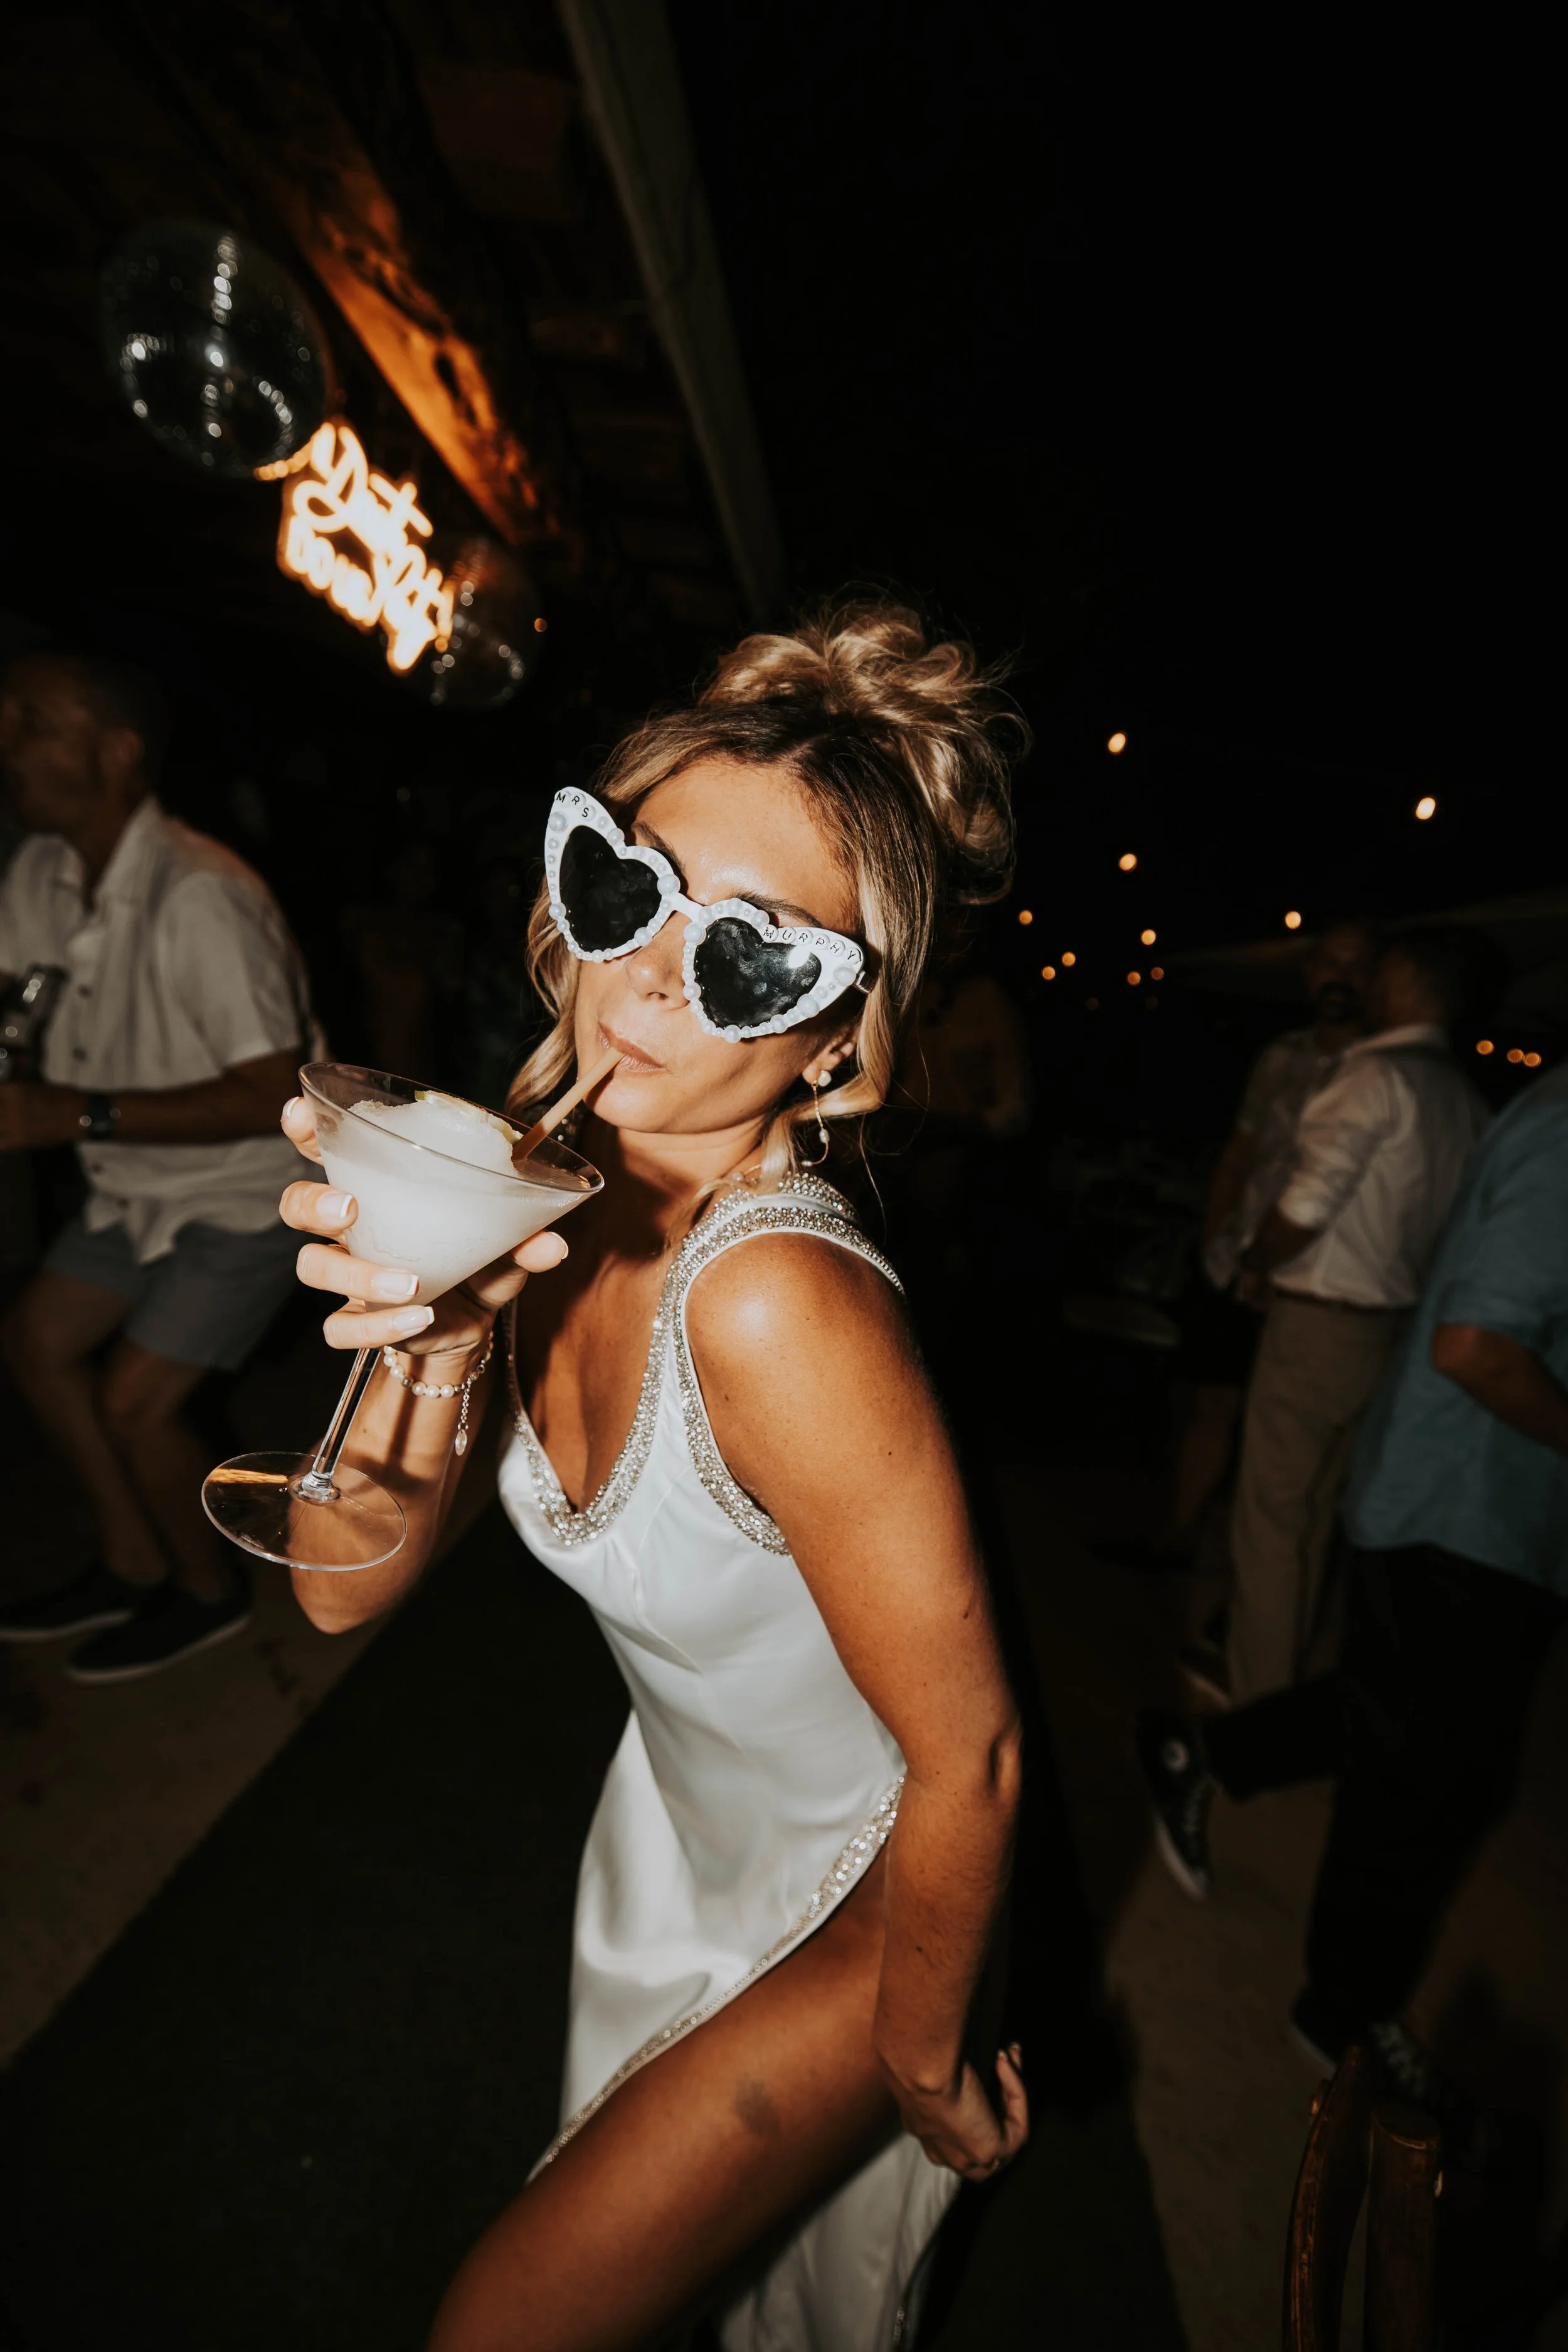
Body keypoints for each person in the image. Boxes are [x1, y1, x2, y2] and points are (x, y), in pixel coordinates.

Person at [277, 601, 1030, 2349]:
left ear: (834, 1039)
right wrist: (437, 1335)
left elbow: (974, 1751)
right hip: (675, 1828)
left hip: (867, 1877)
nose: (643, 977)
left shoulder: (774, 1300)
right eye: (626, 890)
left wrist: (925, 2058)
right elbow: (333, 1586)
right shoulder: (536, 1161)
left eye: (750, 959)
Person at [1140, 1054, 1567, 2119]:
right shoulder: (1528, 1115)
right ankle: (1341, 2009)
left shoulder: (1477, 1096)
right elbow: (1477, 1342)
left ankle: (1205, 1752)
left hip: (1475, 1490)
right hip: (1463, 1500)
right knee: (1430, 1771)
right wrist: (1245, 1260)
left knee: (1401, 1715)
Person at [0, 650, 314, 1682]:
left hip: (250, 1188)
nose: (6, 744)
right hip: (132, 1183)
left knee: (136, 1400)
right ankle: (132, 1560)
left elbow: (274, 1094)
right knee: (37, 1342)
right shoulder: (39, 873)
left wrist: (67, 1112)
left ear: (116, 751)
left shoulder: (200, 894)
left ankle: (209, 1591)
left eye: (32, 722)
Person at [1099, 919, 1379, 1579]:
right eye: (1328, 963)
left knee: (1284, 1435)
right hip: (1242, 1260)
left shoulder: (1379, 1069)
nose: (1339, 978)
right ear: (1309, 973)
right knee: (1211, 1403)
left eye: (1355, 964)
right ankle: (1178, 1538)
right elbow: (1240, 1151)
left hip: (1313, 1278)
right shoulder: (1281, 1056)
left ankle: (1252, 1574)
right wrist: (1214, 1239)